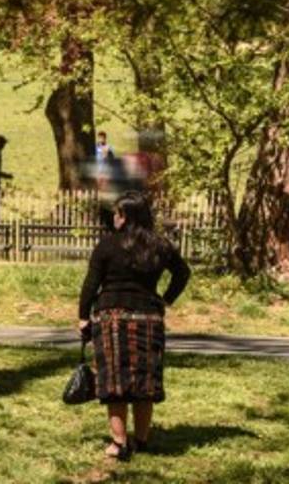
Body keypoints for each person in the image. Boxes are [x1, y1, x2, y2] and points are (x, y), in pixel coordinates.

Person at [78, 192, 191, 462]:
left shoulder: (107, 245)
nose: (114, 217)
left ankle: (119, 443)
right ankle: (141, 440)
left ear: (125, 216)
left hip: (111, 318)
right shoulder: (160, 245)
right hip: (149, 319)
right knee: (144, 381)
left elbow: (91, 284)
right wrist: (165, 298)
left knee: (114, 381)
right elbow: (183, 272)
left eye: (117, 213)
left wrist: (83, 316)